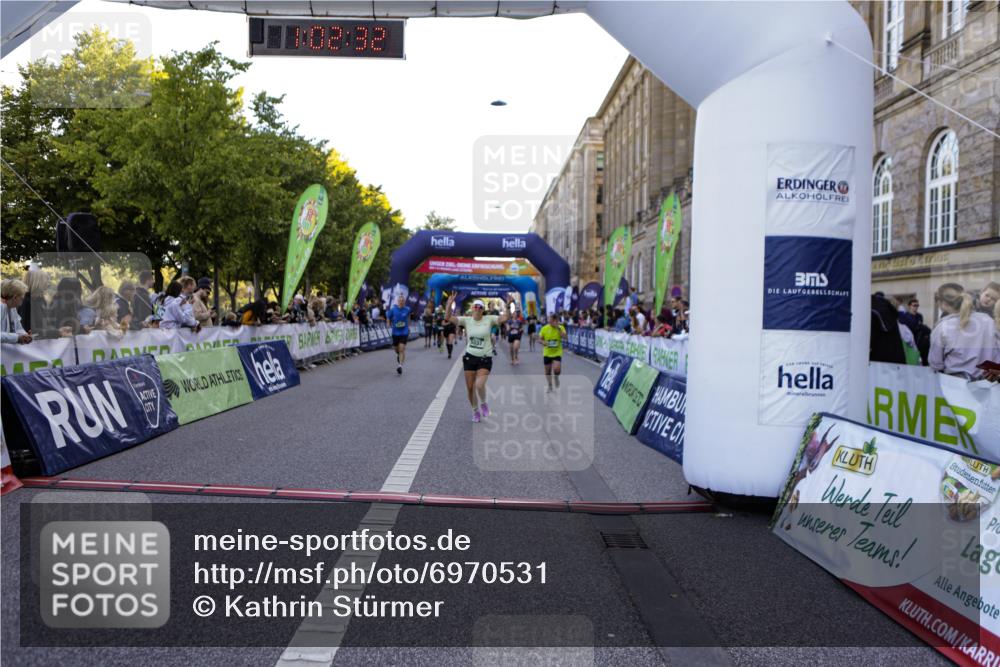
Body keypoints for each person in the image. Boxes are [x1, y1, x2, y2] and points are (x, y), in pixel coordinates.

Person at [446, 294, 510, 423]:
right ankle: (475, 411)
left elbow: (505, 317)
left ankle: (484, 403)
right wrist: (449, 304)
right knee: (470, 388)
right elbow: (447, 317)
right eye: (475, 306)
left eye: (480, 307)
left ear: (483, 309)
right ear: (472, 308)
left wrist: (508, 306)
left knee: (479, 385)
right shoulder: (466, 320)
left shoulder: (489, 319)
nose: (477, 308)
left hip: (485, 357)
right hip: (470, 357)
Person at [928, 283, 998, 380]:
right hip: (987, 386)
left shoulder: (942, 328)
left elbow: (935, 365)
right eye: (987, 295)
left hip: (954, 386)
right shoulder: (989, 322)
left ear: (942, 303)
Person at [539, 312, 568, 391]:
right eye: (549, 320)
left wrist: (558, 328)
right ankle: (550, 385)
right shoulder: (544, 328)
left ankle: (556, 377)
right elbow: (540, 339)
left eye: (552, 320)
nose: (550, 321)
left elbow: (565, 337)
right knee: (547, 371)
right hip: (547, 353)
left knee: (557, 369)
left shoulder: (561, 328)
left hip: (557, 352)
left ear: (556, 320)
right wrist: (543, 342)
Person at [2, 279, 33, 345]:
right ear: (15, 297)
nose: (21, 303)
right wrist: (17, 337)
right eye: (21, 299)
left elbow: (18, 328)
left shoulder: (12, 307)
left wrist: (26, 336)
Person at [19, 269, 50, 335]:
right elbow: (27, 328)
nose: (48, 283)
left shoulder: (41, 300)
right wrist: (57, 332)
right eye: (46, 280)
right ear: (36, 281)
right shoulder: (25, 301)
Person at [387, 294, 411, 374]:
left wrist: (409, 326)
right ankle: (399, 355)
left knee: (401, 348)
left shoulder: (407, 309)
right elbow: (388, 317)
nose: (401, 302)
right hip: (395, 332)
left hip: (404, 332)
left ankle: (400, 366)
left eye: (403, 301)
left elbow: (408, 317)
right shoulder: (393, 309)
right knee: (396, 349)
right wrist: (388, 323)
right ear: (398, 301)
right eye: (400, 301)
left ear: (404, 302)